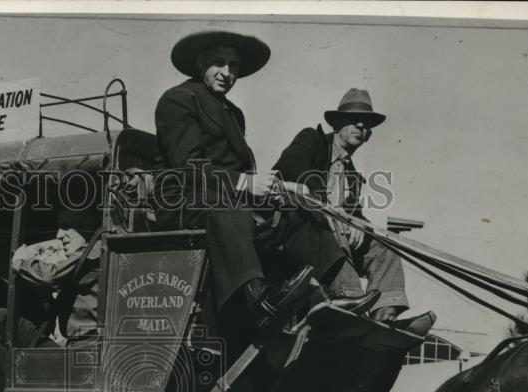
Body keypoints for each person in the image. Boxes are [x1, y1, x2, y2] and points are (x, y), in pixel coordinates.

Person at [152, 30, 377, 342]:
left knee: (298, 208)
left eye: (233, 65)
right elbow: (187, 167)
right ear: (199, 62)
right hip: (185, 202)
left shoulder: (233, 113)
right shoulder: (178, 100)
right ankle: (258, 299)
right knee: (230, 210)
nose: (227, 72)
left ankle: (341, 293)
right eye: (219, 62)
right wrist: (245, 183)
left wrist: (284, 189)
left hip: (225, 198)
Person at [273, 88, 436, 335]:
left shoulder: (352, 177)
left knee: (386, 245)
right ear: (337, 123)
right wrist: (332, 210)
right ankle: (348, 298)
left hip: (331, 241)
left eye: (367, 123)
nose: (361, 125)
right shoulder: (311, 140)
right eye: (354, 120)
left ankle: (385, 316)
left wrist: (360, 225)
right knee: (334, 224)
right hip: (295, 233)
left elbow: (356, 215)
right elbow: (292, 169)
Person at [0, 207, 102, 392]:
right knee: (1, 319)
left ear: (86, 227)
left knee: (0, 319)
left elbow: (49, 276)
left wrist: (21, 261)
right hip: (77, 352)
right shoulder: (88, 254)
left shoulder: (93, 252)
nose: (59, 235)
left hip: (82, 357)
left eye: (66, 227)